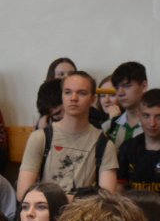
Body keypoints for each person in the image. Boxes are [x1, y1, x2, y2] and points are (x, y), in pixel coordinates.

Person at [17, 70, 114, 199]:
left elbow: (107, 199)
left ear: (93, 99)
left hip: (84, 211)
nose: (73, 98)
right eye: (67, 92)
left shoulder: (104, 144)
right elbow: (22, 193)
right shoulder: (40, 138)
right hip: (47, 210)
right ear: (62, 96)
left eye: (82, 93)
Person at [116, 88, 160, 203]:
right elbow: (119, 190)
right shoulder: (127, 147)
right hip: (131, 211)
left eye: (159, 117)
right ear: (139, 115)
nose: (152, 123)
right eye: (146, 116)